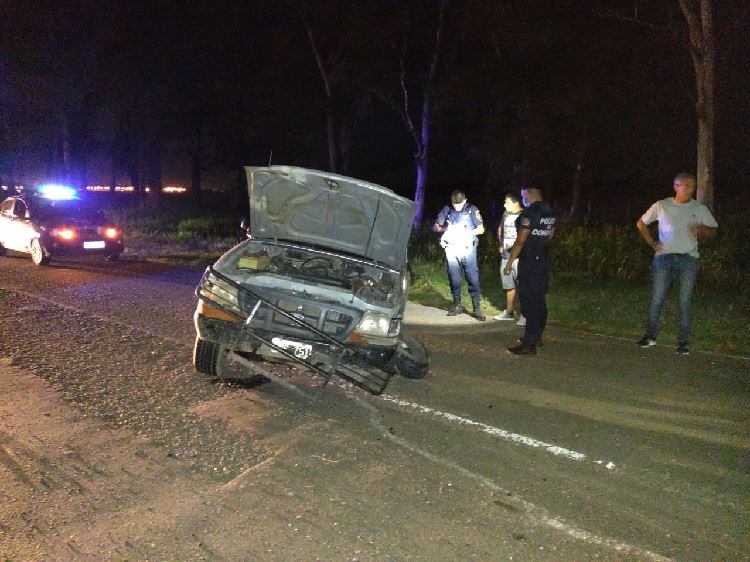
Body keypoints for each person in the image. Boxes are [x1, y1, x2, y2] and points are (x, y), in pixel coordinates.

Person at [635, 172, 717, 355]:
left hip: (688, 259)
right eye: (686, 185)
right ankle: (650, 336)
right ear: (676, 186)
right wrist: (651, 242)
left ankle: (683, 342)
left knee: (685, 301)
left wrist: (702, 229)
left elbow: (713, 231)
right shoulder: (662, 205)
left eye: (692, 186)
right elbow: (641, 223)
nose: (690, 189)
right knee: (657, 299)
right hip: (664, 258)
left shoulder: (699, 208)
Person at [503, 187, 556, 355]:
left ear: (532, 194)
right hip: (542, 260)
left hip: (530, 262)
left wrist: (509, 263)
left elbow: (520, 241)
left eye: (524, 195)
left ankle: (529, 343)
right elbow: (550, 234)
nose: (523, 199)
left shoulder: (529, 214)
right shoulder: (550, 210)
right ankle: (537, 336)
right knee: (539, 300)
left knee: (529, 301)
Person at [433, 190, 486, 320]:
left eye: (459, 204)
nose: (456, 207)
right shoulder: (447, 209)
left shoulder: (472, 209)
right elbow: (435, 227)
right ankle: (457, 305)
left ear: (465, 200)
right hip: (452, 249)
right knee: (454, 278)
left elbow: (481, 229)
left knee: (472, 278)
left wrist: (467, 233)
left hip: (468, 249)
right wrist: (446, 230)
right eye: (454, 205)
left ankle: (476, 308)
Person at [493, 191, 525, 325]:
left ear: (515, 203)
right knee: (508, 284)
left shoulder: (525, 215)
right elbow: (500, 229)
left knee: (523, 285)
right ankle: (509, 312)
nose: (504, 205)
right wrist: (501, 244)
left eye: (506, 202)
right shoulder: (505, 214)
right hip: (506, 255)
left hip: (520, 257)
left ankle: (525, 314)